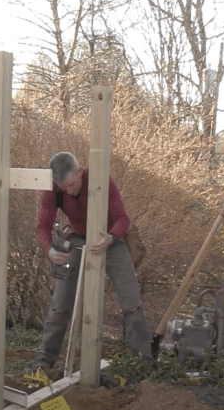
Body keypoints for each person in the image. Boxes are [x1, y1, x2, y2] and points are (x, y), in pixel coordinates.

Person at [34, 152, 155, 372]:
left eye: (72, 184)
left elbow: (122, 218)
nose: (69, 191)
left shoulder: (101, 180)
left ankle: (144, 365)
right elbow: (43, 226)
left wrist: (111, 238)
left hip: (111, 239)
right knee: (60, 305)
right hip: (78, 241)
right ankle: (44, 364)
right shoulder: (54, 189)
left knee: (132, 304)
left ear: (80, 171)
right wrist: (49, 251)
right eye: (64, 188)